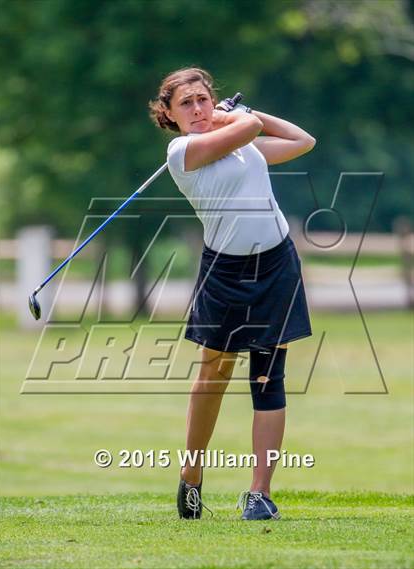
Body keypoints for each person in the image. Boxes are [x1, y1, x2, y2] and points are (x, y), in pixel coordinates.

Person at [149, 67, 316, 521]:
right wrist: (236, 116)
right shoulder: (182, 151)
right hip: (226, 271)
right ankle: (191, 474)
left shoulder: (242, 145)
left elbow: (302, 141)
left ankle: (259, 494)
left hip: (277, 262)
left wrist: (240, 113)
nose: (199, 109)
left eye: (204, 99)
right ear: (168, 114)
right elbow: (252, 127)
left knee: (268, 376)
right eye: (187, 103)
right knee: (214, 377)